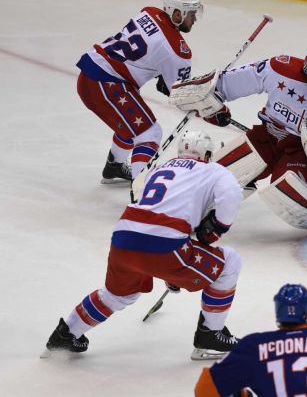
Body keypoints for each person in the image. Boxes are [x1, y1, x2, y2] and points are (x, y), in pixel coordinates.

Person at [44, 130, 244, 360]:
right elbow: (232, 193)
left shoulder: (160, 168)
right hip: (165, 243)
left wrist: (174, 271)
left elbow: (159, 209)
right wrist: (217, 226)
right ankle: (211, 335)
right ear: (208, 153)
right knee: (230, 261)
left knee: (117, 294)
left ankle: (65, 335)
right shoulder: (212, 170)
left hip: (124, 236)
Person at [169, 42, 307, 239]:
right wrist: (212, 98)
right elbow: (240, 80)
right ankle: (185, 211)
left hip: (301, 151)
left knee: (285, 190)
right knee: (213, 175)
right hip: (267, 136)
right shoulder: (281, 69)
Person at [76, 0, 223, 184]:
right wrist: (211, 109)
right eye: (191, 14)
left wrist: (164, 79)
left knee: (132, 122)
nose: (194, 19)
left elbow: (149, 53)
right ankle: (141, 194)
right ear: (177, 14)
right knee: (149, 133)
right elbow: (181, 94)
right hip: (105, 84)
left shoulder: (149, 12)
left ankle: (114, 166)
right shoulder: (178, 50)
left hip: (94, 76)